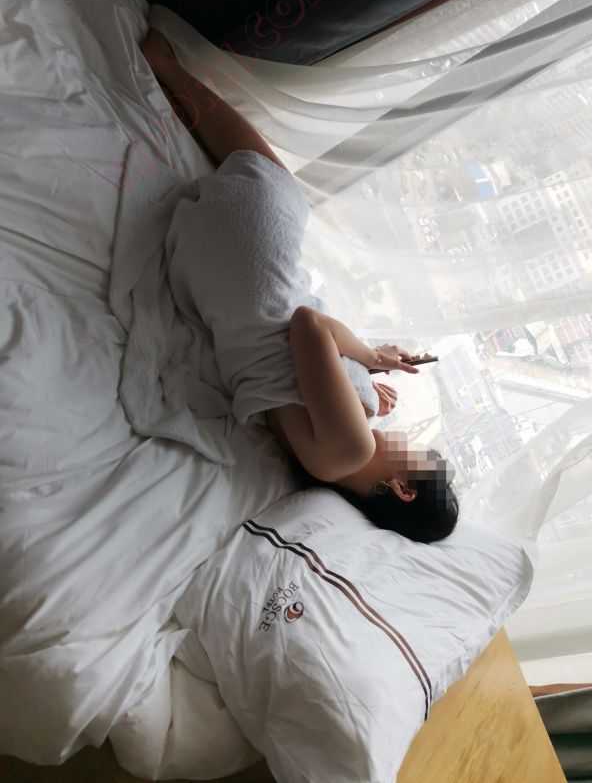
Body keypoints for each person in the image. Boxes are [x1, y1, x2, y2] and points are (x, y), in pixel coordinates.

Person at [140, 27, 459, 543]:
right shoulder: (326, 462)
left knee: (280, 186)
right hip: (214, 290)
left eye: (426, 459)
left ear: (403, 488)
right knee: (272, 191)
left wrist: (370, 355)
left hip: (251, 284)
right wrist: (360, 386)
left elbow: (309, 326)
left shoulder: (352, 449)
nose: (417, 445)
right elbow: (299, 383)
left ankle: (167, 70)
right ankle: (177, 96)